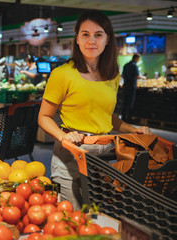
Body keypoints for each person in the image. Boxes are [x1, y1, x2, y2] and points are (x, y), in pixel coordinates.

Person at [38, 10, 152, 210]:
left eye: (98, 34)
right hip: (71, 155)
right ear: (77, 38)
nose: (92, 40)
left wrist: (133, 130)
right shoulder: (62, 74)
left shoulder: (113, 75)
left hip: (104, 155)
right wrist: (63, 136)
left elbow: (109, 117)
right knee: (72, 219)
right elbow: (44, 117)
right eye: (85, 34)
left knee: (99, 217)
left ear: (107, 39)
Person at [121, 54, 145, 123]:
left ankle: (123, 118)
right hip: (131, 86)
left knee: (124, 102)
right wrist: (142, 77)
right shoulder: (134, 65)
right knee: (130, 102)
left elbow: (122, 75)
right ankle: (129, 118)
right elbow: (137, 76)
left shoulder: (126, 65)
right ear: (136, 58)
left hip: (125, 86)